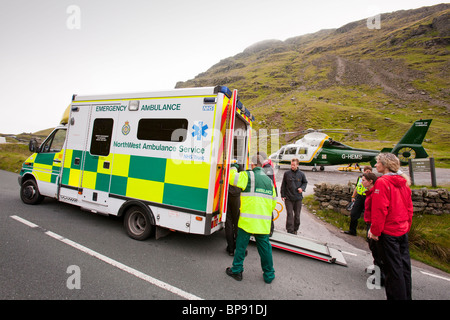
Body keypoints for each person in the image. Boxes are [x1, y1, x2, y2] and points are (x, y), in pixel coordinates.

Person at [368, 153, 413, 300]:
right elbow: (409, 208)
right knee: (404, 268)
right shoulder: (403, 182)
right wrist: (407, 226)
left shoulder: (383, 182)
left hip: (389, 233)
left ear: (385, 165)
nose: (375, 165)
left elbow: (380, 210)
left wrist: (375, 231)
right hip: (402, 231)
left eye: (378, 163)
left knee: (392, 271)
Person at [225, 155, 277, 283]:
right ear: (262, 165)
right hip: (263, 222)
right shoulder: (269, 181)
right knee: (265, 249)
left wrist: (233, 165)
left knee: (241, 247)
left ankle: (237, 271)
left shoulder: (248, 176)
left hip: (247, 221)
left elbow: (231, 178)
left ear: (252, 165)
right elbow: (273, 203)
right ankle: (269, 275)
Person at [362, 172, 385, 286]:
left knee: (378, 249)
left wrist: (373, 227)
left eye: (364, 180)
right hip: (370, 222)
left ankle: (382, 276)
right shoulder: (370, 192)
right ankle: (377, 269)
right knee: (373, 248)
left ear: (370, 181)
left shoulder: (375, 193)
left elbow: (378, 211)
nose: (362, 182)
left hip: (373, 223)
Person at [280, 158, 308, 234]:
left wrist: (302, 188)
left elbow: (305, 183)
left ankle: (295, 229)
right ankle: (290, 230)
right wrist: (282, 195)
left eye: (294, 165)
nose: (292, 166)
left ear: (297, 165)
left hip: (298, 198)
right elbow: (283, 185)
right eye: (291, 164)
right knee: (290, 214)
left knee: (297, 215)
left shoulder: (301, 174)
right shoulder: (287, 173)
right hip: (288, 197)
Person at [344, 166, 373, 236]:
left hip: (368, 197)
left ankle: (368, 235)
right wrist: (353, 196)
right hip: (360, 197)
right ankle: (352, 231)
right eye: (367, 171)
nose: (368, 173)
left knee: (369, 216)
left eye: (369, 171)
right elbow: (357, 187)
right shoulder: (360, 178)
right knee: (354, 213)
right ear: (364, 171)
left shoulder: (372, 179)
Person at [225, 165, 241, 256]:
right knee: (237, 224)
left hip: (227, 198)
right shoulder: (239, 175)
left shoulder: (226, 174)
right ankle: (237, 249)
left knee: (229, 224)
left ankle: (230, 249)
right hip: (236, 200)